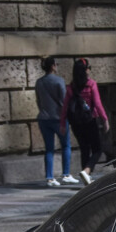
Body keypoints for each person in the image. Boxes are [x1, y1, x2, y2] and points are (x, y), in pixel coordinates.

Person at [59, 58, 110, 185]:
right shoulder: (91, 84)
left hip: (76, 123)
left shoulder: (71, 87)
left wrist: (62, 123)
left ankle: (86, 178)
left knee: (84, 149)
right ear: (85, 70)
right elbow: (97, 104)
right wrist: (105, 119)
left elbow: (65, 106)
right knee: (98, 149)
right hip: (89, 120)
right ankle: (87, 171)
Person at [34, 57, 78, 187]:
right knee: (66, 145)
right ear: (53, 66)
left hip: (43, 117)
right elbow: (65, 102)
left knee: (49, 149)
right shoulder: (59, 81)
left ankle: (49, 177)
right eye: (56, 64)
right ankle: (66, 174)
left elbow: (38, 100)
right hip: (58, 118)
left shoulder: (39, 82)